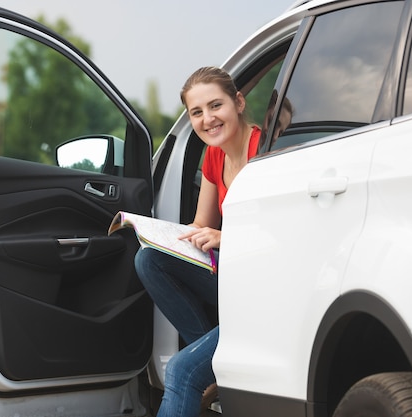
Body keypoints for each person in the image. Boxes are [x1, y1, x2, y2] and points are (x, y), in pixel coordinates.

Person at [134, 66, 261, 417]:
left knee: (181, 370)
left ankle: (206, 364)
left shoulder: (263, 151)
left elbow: (276, 236)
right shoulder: (215, 155)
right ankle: (212, 359)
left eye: (215, 105)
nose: (208, 119)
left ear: (238, 102)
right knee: (150, 259)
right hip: (232, 280)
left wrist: (223, 237)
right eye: (197, 112)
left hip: (264, 291)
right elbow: (201, 225)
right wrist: (157, 236)